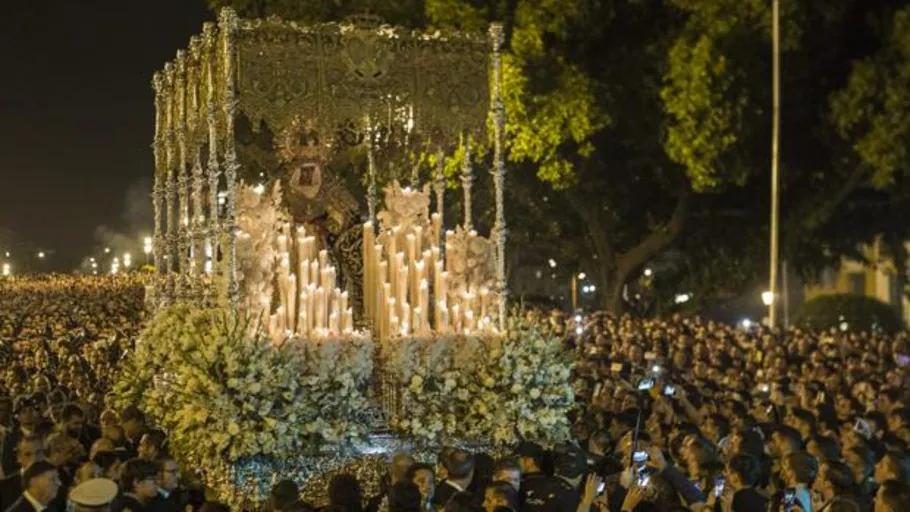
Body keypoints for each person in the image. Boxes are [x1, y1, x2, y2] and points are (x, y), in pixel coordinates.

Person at [0, 436, 44, 511]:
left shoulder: (56, 486)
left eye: (38, 453)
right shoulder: (3, 488)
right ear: (19, 457)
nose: (34, 459)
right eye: (28, 454)